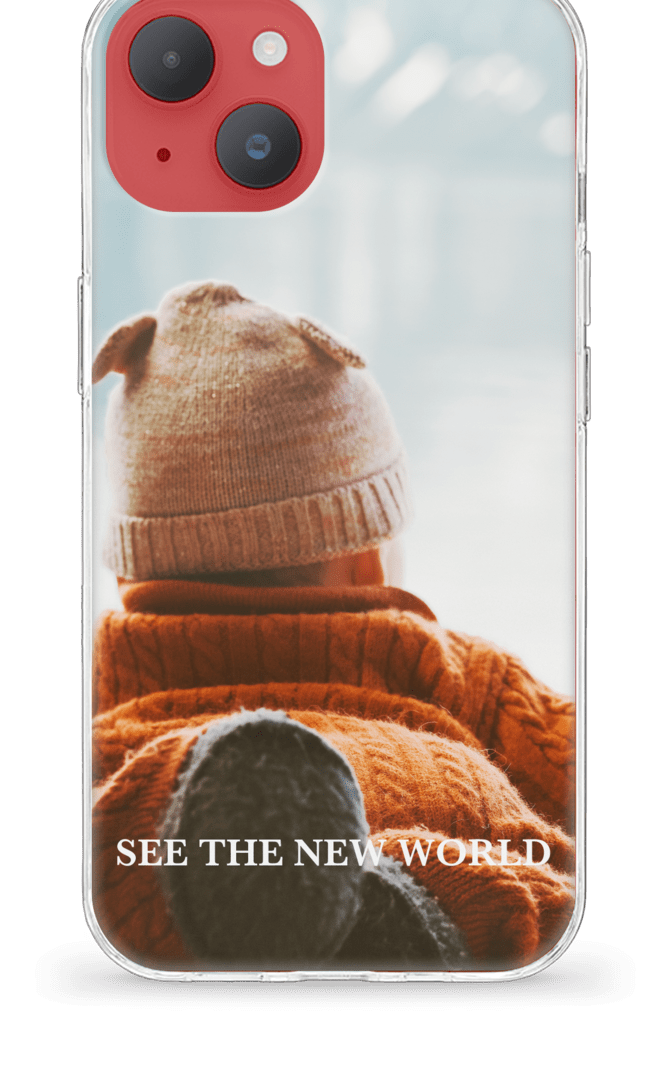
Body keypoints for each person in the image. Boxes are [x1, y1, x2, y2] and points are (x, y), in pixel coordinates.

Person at [91, 281, 575, 972]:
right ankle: (402, 907)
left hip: (168, 853)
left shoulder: (92, 747)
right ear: (368, 556)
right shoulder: (475, 707)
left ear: (127, 576)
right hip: (441, 846)